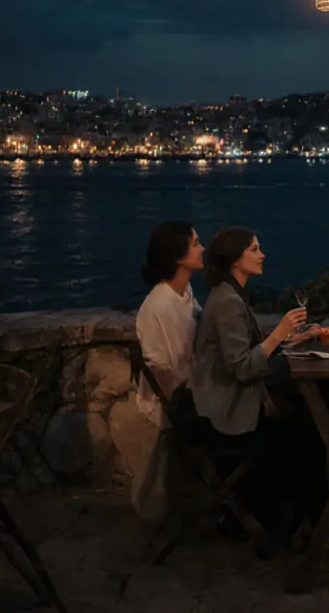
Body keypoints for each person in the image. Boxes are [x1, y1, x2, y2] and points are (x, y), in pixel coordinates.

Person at [191, 226, 329, 541]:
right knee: (312, 427)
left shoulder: (232, 293)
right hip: (227, 409)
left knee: (315, 411)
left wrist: (292, 339)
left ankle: (303, 515)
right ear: (235, 258)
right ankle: (306, 518)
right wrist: (279, 333)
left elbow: (250, 352)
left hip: (239, 396)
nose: (262, 254)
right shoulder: (227, 301)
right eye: (254, 249)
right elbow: (241, 368)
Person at [130, 220, 204, 521]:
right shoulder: (158, 306)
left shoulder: (186, 295)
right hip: (182, 405)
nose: (202, 248)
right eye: (196, 243)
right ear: (178, 256)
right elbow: (162, 369)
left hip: (193, 394)